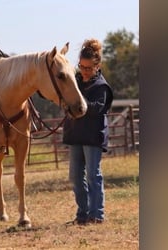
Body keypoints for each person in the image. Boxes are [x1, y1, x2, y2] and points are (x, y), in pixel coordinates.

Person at [63, 38, 113, 225]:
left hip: (92, 137)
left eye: (88, 68)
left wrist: (78, 102)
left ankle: (97, 214)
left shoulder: (101, 86)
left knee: (93, 175)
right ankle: (82, 213)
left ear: (97, 66)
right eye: (81, 67)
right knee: (76, 176)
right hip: (75, 135)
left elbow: (96, 108)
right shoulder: (74, 82)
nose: (84, 71)